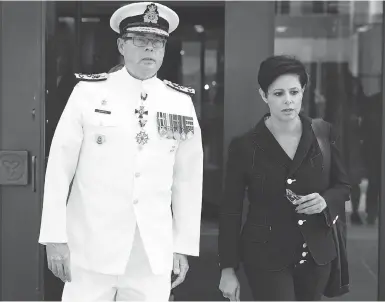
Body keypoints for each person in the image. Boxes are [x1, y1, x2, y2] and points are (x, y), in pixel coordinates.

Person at [38, 2, 203, 301]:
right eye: (140, 40)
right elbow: (60, 167)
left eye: (157, 42)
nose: (149, 49)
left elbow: (188, 179)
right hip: (90, 246)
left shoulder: (179, 103)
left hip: (151, 253)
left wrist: (183, 245)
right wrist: (54, 237)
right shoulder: (89, 93)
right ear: (121, 45)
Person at [218, 55, 350, 301]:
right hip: (265, 256)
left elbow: (343, 187)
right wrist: (227, 268)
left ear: (303, 92)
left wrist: (325, 201)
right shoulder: (245, 146)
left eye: (294, 91)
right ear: (263, 95)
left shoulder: (323, 133)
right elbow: (230, 211)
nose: (288, 100)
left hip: (316, 254)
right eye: (278, 93)